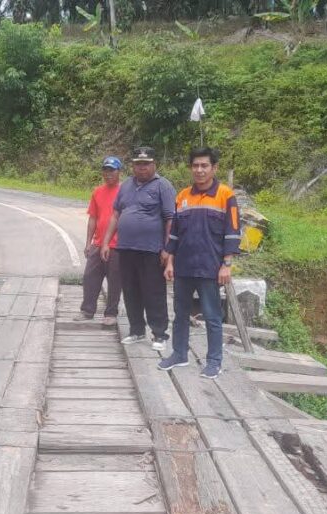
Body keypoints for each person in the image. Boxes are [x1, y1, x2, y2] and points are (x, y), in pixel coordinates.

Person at [157, 147, 241, 379]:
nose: (200, 170)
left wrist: (226, 264)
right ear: (191, 168)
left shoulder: (226, 195)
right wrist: (170, 262)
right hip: (183, 266)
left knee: (213, 316)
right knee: (180, 313)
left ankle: (214, 361)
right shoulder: (183, 196)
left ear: (214, 168)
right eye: (196, 165)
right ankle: (179, 354)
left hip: (210, 268)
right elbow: (174, 234)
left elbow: (233, 232)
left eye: (204, 165)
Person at [100, 146, 176, 351]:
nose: (141, 168)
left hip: (151, 249)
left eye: (146, 163)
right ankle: (136, 330)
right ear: (133, 165)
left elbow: (170, 219)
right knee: (131, 290)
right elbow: (116, 215)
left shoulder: (163, 186)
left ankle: (159, 333)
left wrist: (168, 249)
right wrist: (106, 242)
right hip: (125, 248)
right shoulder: (125, 186)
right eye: (138, 164)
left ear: (154, 164)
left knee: (153, 291)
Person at [76, 156, 124, 327]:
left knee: (115, 281)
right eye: (106, 170)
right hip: (98, 243)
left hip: (117, 245)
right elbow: (93, 219)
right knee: (90, 277)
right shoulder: (97, 191)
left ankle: (111, 313)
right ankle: (87, 310)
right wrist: (88, 243)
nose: (108, 173)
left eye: (112, 170)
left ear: (119, 172)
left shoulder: (125, 191)